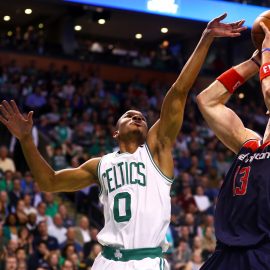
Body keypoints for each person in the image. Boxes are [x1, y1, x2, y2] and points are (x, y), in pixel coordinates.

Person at [0, 14, 246, 270]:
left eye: (141, 117)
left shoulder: (157, 151)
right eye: (129, 115)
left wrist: (205, 38)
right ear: (115, 133)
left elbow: (179, 90)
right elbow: (48, 182)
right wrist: (26, 140)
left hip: (147, 261)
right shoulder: (99, 165)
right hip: (107, 261)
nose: (137, 116)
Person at [196, 21, 270, 270]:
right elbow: (207, 101)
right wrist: (254, 63)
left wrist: (268, 48)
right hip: (226, 254)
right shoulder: (249, 144)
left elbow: (269, 91)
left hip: (262, 253)